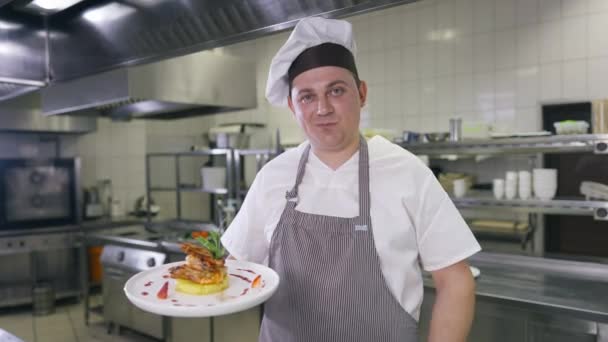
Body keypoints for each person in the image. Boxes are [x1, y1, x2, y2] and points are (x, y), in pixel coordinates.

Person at [221, 16, 481, 342]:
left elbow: (456, 281)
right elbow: (239, 267)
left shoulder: (407, 173)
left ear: (361, 93)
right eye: (307, 97)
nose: (323, 108)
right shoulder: (273, 176)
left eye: (336, 90)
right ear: (292, 106)